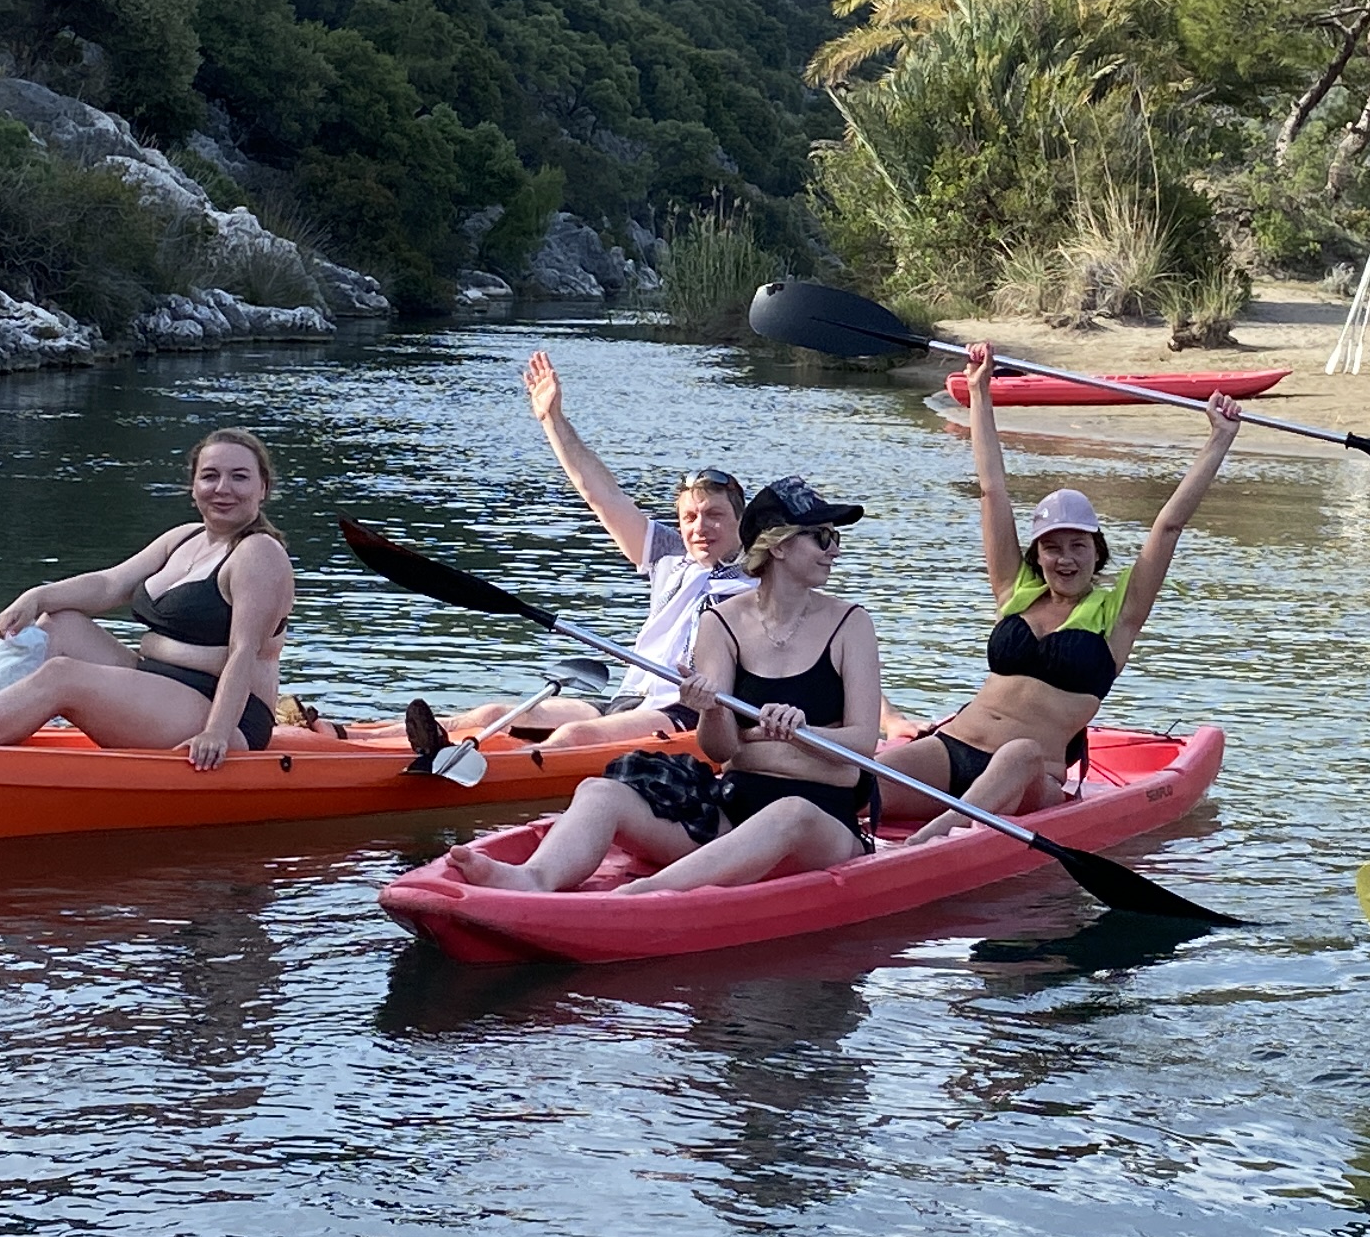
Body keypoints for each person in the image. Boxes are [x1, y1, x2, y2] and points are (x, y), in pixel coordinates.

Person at [874, 340, 1237, 825]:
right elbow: (991, 489)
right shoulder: (1016, 591)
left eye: (1077, 546)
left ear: (1096, 552)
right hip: (952, 749)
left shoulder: (1118, 612)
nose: (1064, 558)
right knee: (862, 782)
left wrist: (1218, 440)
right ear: (1038, 554)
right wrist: (980, 392)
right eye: (1052, 547)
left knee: (1019, 752)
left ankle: (934, 839)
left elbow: (1167, 527)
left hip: (1029, 776)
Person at [503, 476, 882, 894]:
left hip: (822, 821)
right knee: (599, 790)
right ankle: (533, 878)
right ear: (779, 545)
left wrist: (802, 733)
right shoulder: (720, 624)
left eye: (834, 537)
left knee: (790, 813)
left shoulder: (852, 624)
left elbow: (862, 744)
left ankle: (639, 897)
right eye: (822, 537)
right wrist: (712, 709)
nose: (834, 549)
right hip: (734, 805)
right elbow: (722, 750)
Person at [416, 351, 746, 763]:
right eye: (690, 517)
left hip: (683, 713)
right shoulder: (667, 555)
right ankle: (342, 735)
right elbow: (599, 492)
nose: (701, 527)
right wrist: (552, 419)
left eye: (715, 516)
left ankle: (483, 768)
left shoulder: (758, 584)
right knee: (491, 713)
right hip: (627, 700)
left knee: (574, 735)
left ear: (741, 522)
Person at [0, 427, 307, 769]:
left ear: (263, 488)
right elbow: (110, 584)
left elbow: (242, 651)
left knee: (63, 677)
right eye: (210, 476)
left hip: (226, 715)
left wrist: (217, 734)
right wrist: (38, 596)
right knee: (57, 623)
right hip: (161, 685)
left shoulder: (259, 553)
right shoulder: (184, 538)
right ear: (192, 487)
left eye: (239, 477)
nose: (222, 488)